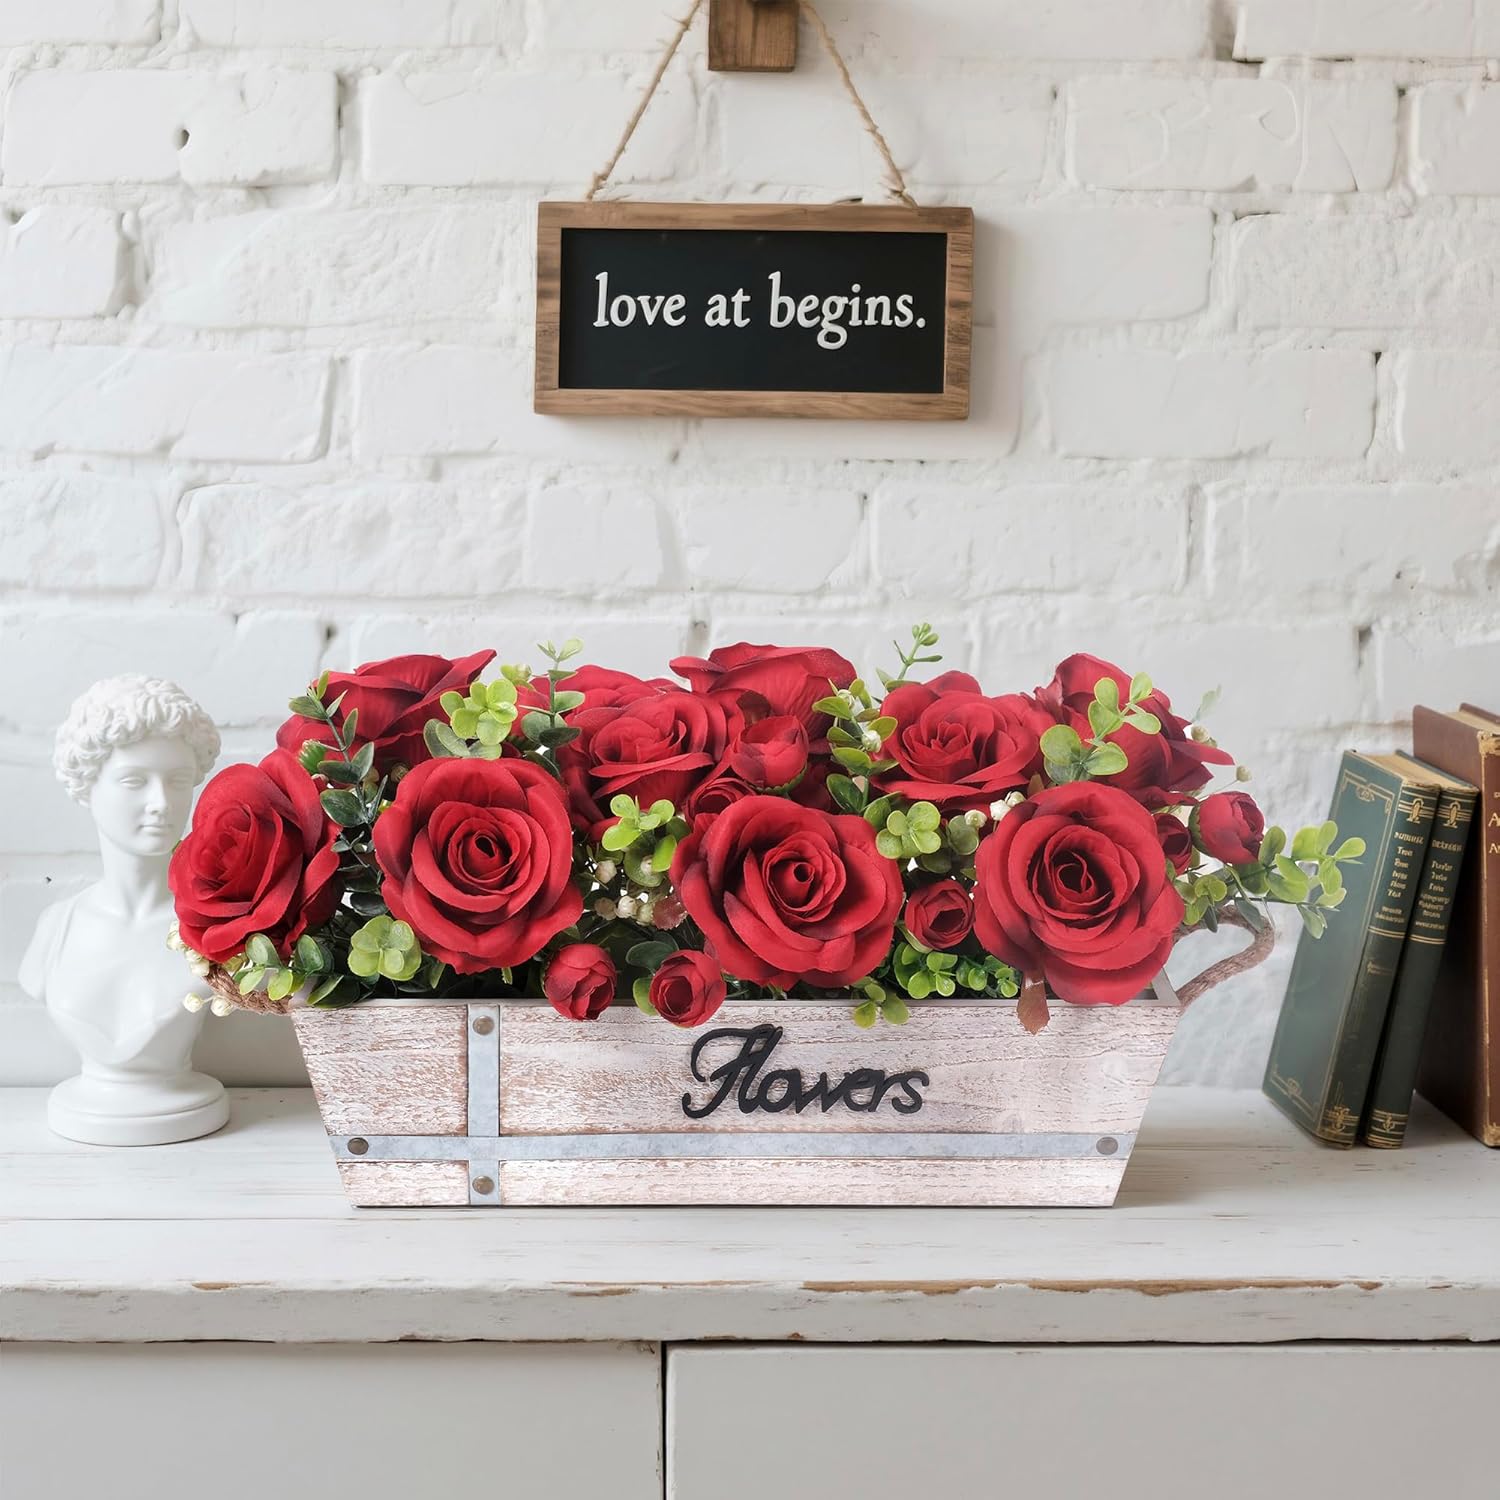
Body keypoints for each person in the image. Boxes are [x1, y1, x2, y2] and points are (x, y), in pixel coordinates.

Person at [19, 675, 228, 1144]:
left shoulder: (214, 931)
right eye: (134, 781)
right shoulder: (57, 929)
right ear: (87, 785)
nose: (160, 803)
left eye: (177, 781)